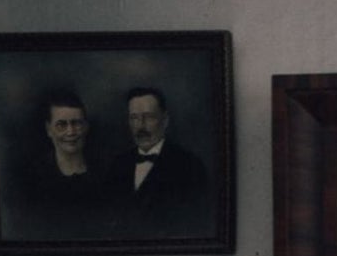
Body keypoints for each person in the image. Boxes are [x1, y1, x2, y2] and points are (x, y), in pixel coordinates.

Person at [100, 86, 209, 235]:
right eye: (134, 118)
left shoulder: (190, 166)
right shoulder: (117, 165)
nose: (141, 126)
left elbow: (196, 225)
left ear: (165, 121)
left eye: (149, 117)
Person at [11, 89, 104, 237]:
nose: (70, 132)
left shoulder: (105, 173)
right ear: (49, 130)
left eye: (77, 123)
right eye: (61, 125)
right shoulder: (33, 178)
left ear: (86, 127)